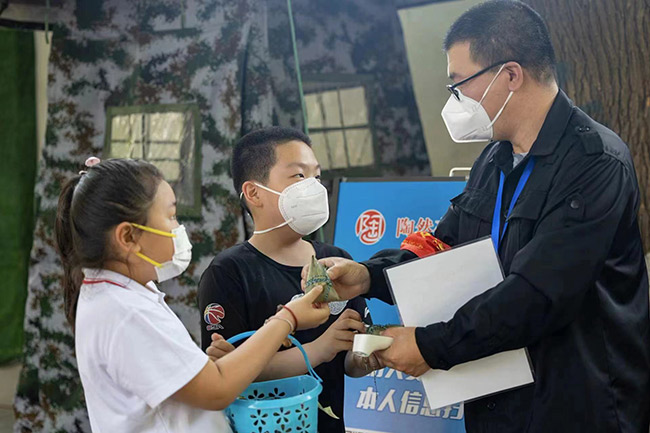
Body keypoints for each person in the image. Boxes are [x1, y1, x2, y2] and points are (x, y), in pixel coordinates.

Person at [302, 1, 650, 432]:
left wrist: (429, 346)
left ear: (510, 75)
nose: (454, 100)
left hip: (577, 403)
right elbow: (442, 248)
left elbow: (537, 295)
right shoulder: (493, 160)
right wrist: (369, 276)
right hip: (499, 402)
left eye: (459, 84)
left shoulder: (594, 163)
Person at [55, 157, 330, 433]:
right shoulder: (126, 312)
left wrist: (209, 365)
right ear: (128, 237)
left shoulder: (122, 294)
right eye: (171, 216)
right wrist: (288, 318)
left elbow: (187, 381)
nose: (178, 228)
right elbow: (216, 389)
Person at [198, 127, 380, 433]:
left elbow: (351, 360)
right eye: (298, 176)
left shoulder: (337, 261)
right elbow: (229, 371)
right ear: (254, 193)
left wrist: (366, 358)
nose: (313, 187)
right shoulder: (228, 273)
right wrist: (320, 348)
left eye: (316, 176)